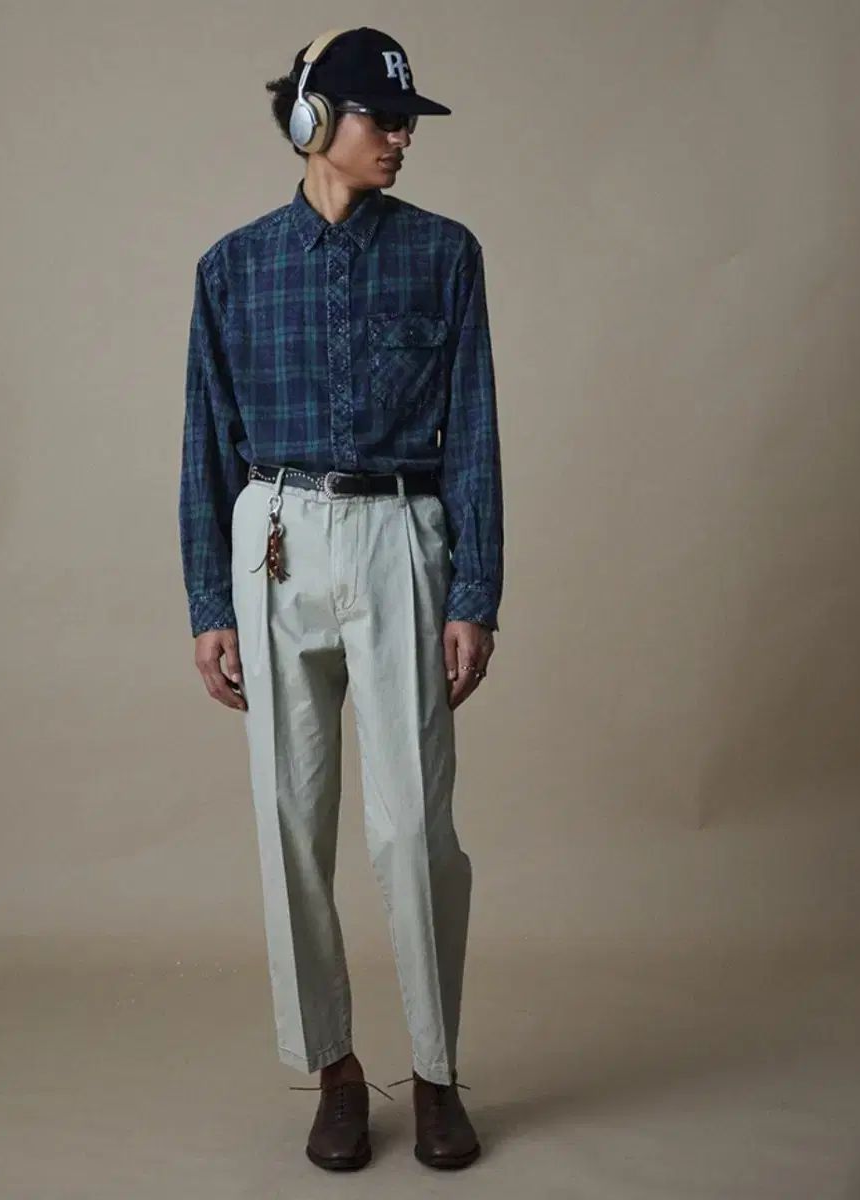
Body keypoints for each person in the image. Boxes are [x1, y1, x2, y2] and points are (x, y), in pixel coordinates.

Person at [179, 26, 503, 1172]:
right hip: (272, 540)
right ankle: (334, 1070)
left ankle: (437, 1071)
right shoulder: (231, 269)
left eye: (406, 119)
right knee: (288, 819)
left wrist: (475, 590)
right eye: (381, 117)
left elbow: (473, 432)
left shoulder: (445, 255)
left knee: (413, 827)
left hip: (399, 534)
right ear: (311, 122)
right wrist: (207, 606)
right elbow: (205, 446)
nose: (401, 137)